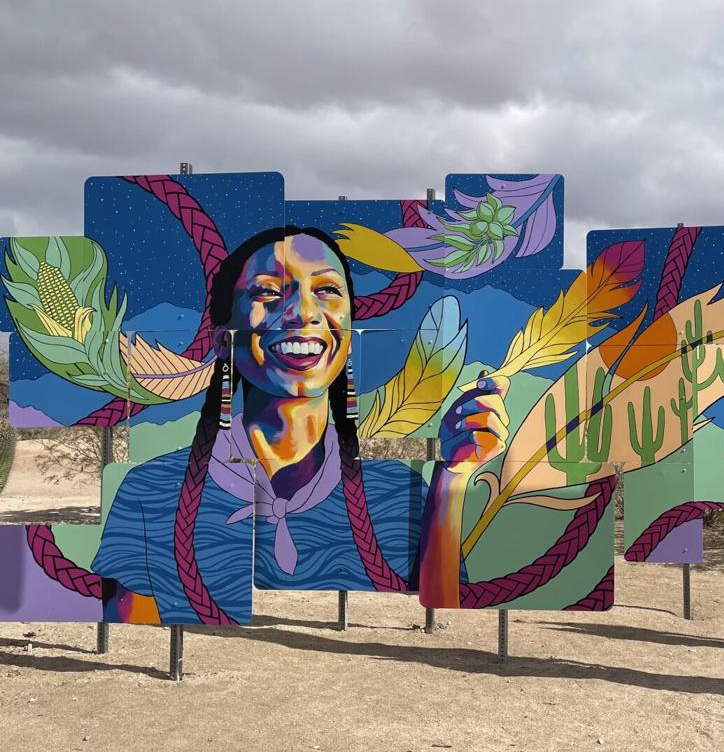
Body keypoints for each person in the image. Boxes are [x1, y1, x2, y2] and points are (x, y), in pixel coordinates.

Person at [92, 227, 507, 624]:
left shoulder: (403, 496)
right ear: (223, 340)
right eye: (268, 291)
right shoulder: (150, 492)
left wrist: (453, 479)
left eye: (326, 290)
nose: (304, 313)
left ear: (348, 332)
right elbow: (133, 627)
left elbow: (445, 604)